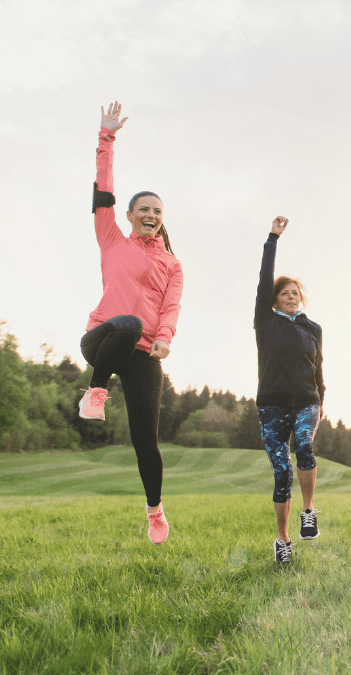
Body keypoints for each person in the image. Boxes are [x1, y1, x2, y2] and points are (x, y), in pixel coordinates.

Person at [79, 102, 183, 545]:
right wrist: (107, 138)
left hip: (143, 354)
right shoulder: (110, 238)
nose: (151, 215)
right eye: (144, 209)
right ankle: (95, 390)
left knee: (147, 440)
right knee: (125, 323)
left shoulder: (172, 264)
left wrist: (164, 340)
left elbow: (172, 308)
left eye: (157, 211)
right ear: (129, 214)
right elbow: (103, 190)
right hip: (103, 337)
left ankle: (155, 511)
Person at [254, 216, 325, 565]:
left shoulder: (313, 328)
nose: (291, 296)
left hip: (307, 402)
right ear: (275, 300)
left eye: (295, 293)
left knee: (304, 445)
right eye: (284, 293)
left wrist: (321, 402)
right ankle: (282, 540)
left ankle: (309, 510)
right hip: (271, 406)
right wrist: (273, 239)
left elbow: (319, 369)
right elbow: (264, 278)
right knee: (281, 472)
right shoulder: (265, 323)